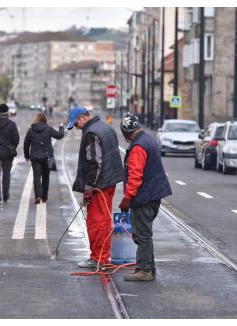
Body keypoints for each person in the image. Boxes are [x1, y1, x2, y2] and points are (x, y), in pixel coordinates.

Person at [67, 107, 124, 268]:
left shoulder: (91, 133)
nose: (77, 128)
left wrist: (88, 188)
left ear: (82, 118)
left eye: (76, 124)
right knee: (105, 220)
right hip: (109, 182)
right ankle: (104, 256)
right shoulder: (105, 127)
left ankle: (97, 257)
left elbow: (94, 162)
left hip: (99, 185)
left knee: (96, 221)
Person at [118, 112, 172, 281]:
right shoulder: (148, 139)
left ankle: (144, 270)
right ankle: (149, 267)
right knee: (145, 233)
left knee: (141, 234)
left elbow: (135, 176)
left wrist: (127, 199)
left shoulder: (138, 147)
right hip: (154, 194)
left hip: (144, 197)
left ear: (127, 132)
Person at [23, 113, 64, 204]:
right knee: (46, 177)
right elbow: (59, 135)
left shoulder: (31, 130)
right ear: (45, 120)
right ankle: (44, 197)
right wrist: (61, 127)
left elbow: (26, 144)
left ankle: (38, 196)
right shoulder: (48, 129)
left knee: (36, 177)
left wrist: (27, 156)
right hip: (47, 157)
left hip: (35, 157)